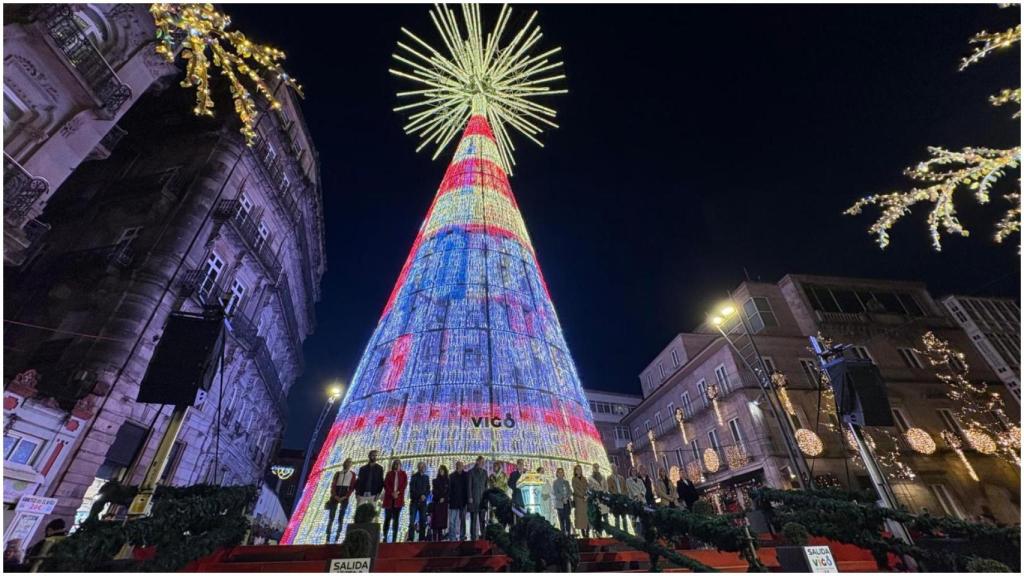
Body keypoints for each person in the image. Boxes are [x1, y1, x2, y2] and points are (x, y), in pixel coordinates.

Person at [325, 458, 356, 543]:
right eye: (347, 462)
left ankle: (337, 536)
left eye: (350, 463)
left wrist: (346, 496)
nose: (348, 464)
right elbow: (333, 485)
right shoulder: (338, 473)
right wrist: (335, 495)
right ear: (344, 463)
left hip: (344, 495)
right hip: (336, 494)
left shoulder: (352, 474)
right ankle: (328, 536)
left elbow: (352, 487)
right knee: (331, 516)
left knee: (341, 516)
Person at [382, 459, 408, 543]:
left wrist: (398, 492)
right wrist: (391, 493)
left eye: (398, 464)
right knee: (387, 518)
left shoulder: (403, 474)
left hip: (398, 500)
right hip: (389, 499)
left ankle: (394, 538)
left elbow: (404, 485)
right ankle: (385, 536)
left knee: (396, 519)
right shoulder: (389, 474)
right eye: (395, 464)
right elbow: (386, 485)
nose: (397, 466)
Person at [467, 456, 489, 539]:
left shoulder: (485, 472)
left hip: (482, 498)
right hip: (474, 498)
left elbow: (486, 486)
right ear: (477, 462)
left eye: (483, 462)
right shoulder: (471, 472)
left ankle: (483, 536)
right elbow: (469, 486)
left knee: (482, 519)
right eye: (481, 462)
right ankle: (473, 536)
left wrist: (486, 496)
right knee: (473, 519)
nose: (483, 463)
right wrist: (470, 497)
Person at [407, 462, 430, 541]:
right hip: (414, 502)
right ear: (418, 467)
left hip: (423, 503)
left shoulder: (426, 477)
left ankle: (422, 538)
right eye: (420, 466)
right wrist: (420, 496)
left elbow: (428, 489)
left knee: (423, 521)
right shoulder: (414, 477)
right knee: (412, 521)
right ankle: (410, 538)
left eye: (423, 466)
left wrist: (425, 495)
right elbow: (412, 489)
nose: (422, 468)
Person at [448, 461, 468, 541]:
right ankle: (452, 537)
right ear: (456, 466)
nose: (459, 467)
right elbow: (449, 489)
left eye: (461, 465)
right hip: (454, 501)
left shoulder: (466, 475)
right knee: (452, 521)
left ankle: (462, 536)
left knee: (462, 520)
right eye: (458, 465)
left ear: (463, 466)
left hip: (463, 501)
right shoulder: (451, 476)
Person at [605, 463, 628, 530]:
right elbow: (609, 489)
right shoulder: (609, 478)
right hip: (615, 500)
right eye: (612, 468)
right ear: (611, 469)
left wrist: (623, 495)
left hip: (622, 499)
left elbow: (625, 488)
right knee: (617, 517)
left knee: (624, 517)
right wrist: (616, 495)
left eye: (615, 468)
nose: (614, 469)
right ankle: (618, 532)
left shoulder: (621, 478)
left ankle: (626, 531)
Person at [431, 465, 450, 541]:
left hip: (444, 504)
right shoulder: (435, 481)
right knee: (435, 522)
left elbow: (449, 491)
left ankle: (440, 539)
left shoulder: (448, 481)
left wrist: (444, 498)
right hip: (436, 502)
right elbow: (434, 491)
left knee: (441, 523)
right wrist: (439, 497)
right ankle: (434, 539)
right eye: (440, 470)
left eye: (442, 470)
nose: (441, 471)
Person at [552, 467, 573, 536]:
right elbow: (556, 493)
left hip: (567, 502)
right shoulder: (555, 482)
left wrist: (567, 496)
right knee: (561, 519)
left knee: (567, 518)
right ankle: (563, 533)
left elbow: (570, 491)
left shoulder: (566, 482)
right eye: (559, 472)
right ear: (557, 474)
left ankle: (568, 533)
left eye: (562, 472)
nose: (561, 474)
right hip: (560, 503)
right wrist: (562, 498)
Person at [571, 464, 590, 538]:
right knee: (580, 516)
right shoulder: (574, 479)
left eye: (580, 469)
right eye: (577, 469)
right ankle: (583, 533)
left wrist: (587, 495)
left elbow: (587, 487)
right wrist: (583, 496)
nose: (579, 471)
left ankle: (588, 531)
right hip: (579, 500)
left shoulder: (584, 479)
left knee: (587, 516)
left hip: (585, 499)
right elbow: (575, 489)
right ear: (575, 471)